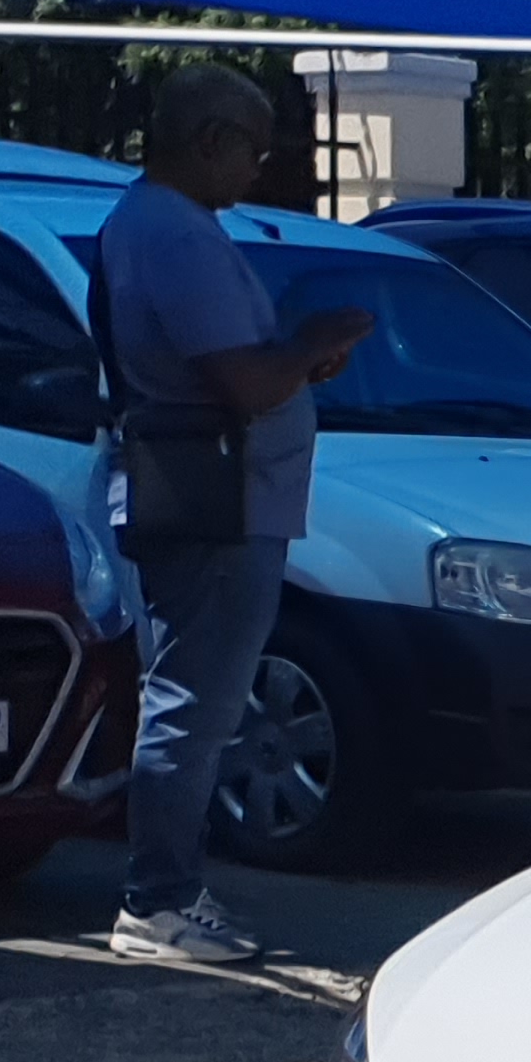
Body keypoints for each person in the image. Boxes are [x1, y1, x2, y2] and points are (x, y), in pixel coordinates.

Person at [96, 66, 369, 965]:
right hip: (219, 499)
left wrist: (292, 361)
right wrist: (306, 345)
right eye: (252, 148)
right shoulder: (174, 237)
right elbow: (242, 380)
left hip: (211, 492)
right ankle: (160, 900)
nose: (258, 168)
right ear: (210, 141)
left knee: (192, 697)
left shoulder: (154, 226)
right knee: (194, 705)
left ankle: (168, 892)